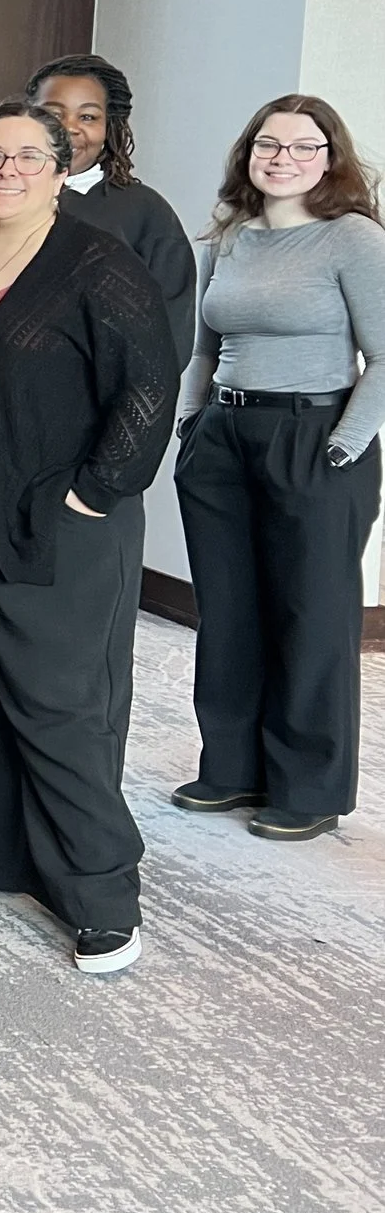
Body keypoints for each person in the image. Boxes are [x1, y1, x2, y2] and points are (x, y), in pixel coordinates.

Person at [0, 101, 176, 975]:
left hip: (45, 499)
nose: (6, 169)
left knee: (55, 695)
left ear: (59, 173)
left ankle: (101, 895)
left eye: (27, 156)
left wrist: (96, 492)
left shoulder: (96, 259)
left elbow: (149, 383)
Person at [174, 96, 385, 841]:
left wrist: (344, 444)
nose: (283, 158)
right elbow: (203, 348)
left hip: (315, 435)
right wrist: (190, 425)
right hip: (223, 436)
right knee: (229, 609)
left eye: (303, 146)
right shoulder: (228, 236)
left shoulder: (353, 238)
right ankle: (231, 767)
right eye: (269, 144)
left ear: (330, 159)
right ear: (248, 153)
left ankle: (308, 787)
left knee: (312, 614)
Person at [0, 53, 196, 367]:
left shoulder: (146, 214)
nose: (68, 128)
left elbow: (167, 345)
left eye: (88, 117)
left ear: (111, 127)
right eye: (52, 114)